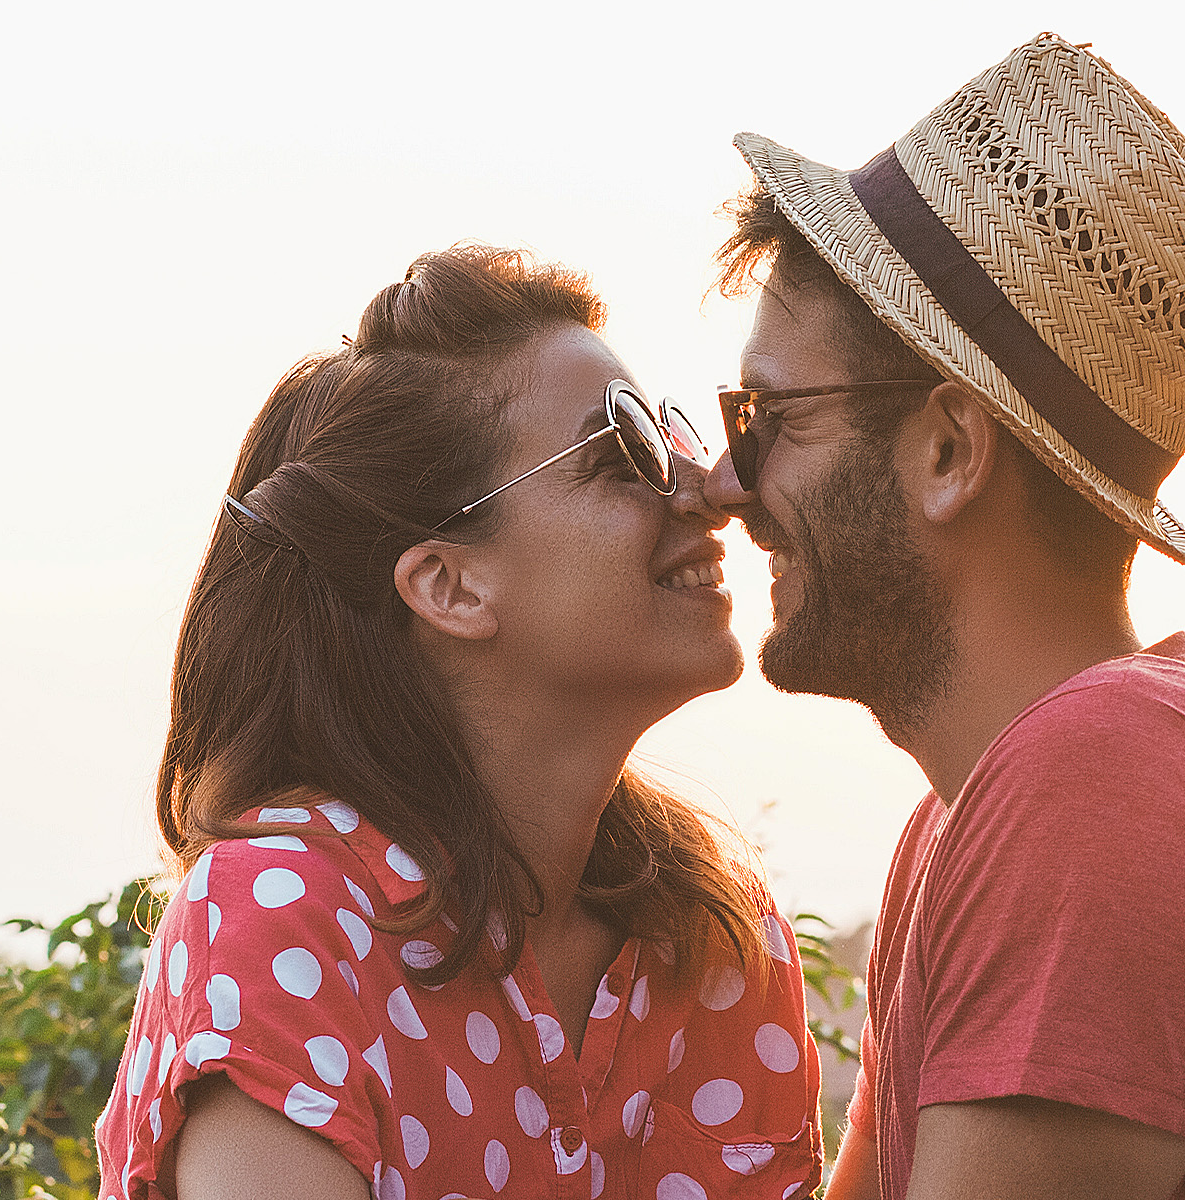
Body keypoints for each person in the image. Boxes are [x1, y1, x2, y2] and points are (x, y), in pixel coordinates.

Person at [702, 34, 1185, 1200]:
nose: (727, 483)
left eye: (767, 417)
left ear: (949, 451)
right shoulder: (984, 813)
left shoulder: (1102, 784)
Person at [95, 246, 823, 1200]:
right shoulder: (286, 921)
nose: (703, 490)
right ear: (449, 584)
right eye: (622, 455)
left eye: (672, 437)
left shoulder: (718, 941)